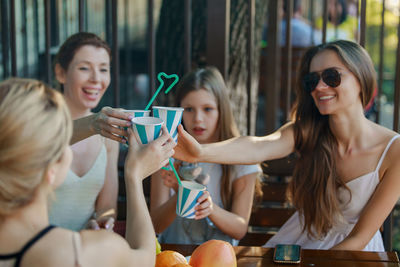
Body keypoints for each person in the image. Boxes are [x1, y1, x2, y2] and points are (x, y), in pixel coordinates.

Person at [174, 40, 400, 251]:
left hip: (352, 254)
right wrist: (200, 152)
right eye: (312, 80)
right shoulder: (306, 131)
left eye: (332, 76)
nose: (319, 87)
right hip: (303, 242)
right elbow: (258, 146)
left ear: (361, 78)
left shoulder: (394, 151)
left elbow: (360, 238)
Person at [0, 78, 175, 266]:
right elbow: (145, 259)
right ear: (51, 169)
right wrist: (134, 175)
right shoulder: (78, 252)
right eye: (65, 143)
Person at [150, 67, 262, 245]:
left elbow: (239, 229)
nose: (198, 119)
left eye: (208, 109)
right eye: (189, 109)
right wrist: (181, 191)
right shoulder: (166, 153)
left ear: (221, 110)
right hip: (173, 257)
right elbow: (155, 225)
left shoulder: (241, 159)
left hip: (219, 258)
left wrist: (211, 208)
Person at [49, 32, 118, 231]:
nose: (96, 79)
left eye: (103, 69)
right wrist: (92, 124)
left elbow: (107, 207)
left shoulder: (107, 134)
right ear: (61, 73)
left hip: (85, 253)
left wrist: (102, 221)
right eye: (85, 68)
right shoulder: (39, 124)